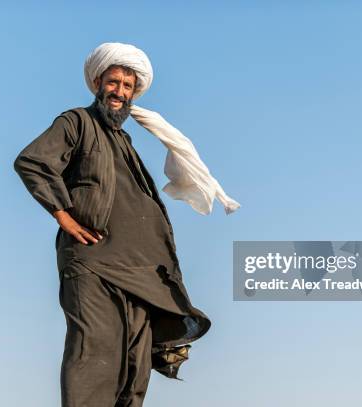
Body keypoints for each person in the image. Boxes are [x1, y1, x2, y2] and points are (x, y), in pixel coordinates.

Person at [13, 42, 239, 407]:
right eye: (113, 82)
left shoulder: (125, 140)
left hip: (140, 274)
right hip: (95, 264)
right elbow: (32, 162)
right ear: (98, 82)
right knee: (95, 357)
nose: (119, 92)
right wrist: (64, 215)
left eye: (128, 86)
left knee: (133, 369)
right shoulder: (78, 122)